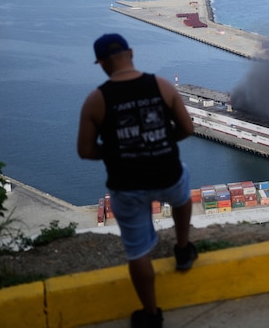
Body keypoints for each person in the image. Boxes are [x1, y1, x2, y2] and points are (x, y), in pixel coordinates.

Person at [77, 33, 198, 328]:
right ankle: (182, 248)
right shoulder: (162, 86)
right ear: (131, 53)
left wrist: (119, 152)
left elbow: (85, 150)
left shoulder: (96, 100)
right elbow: (187, 128)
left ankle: (152, 315)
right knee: (182, 196)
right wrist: (160, 142)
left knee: (138, 251)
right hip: (166, 172)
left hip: (126, 183)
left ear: (101, 63)